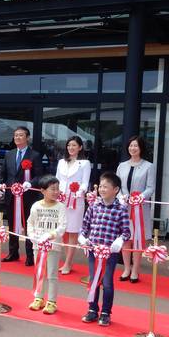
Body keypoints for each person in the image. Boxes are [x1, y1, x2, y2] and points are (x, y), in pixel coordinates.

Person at [79, 172, 130, 327]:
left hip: (109, 253)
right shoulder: (93, 207)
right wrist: (82, 238)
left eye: (105, 187)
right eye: (100, 186)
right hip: (94, 251)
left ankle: (106, 312)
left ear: (115, 189)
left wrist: (120, 240)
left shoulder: (121, 209)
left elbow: (126, 232)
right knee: (94, 280)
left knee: (107, 282)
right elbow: (84, 227)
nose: (101, 189)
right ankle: (92, 309)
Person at [0, 126, 44, 266]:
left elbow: (39, 176)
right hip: (11, 196)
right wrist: (0, 184)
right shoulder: (9, 154)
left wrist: (30, 183)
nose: (17, 137)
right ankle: (13, 252)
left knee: (28, 225)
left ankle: (30, 255)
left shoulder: (34, 155)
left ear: (27, 138)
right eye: (15, 135)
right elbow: (4, 174)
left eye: (21, 135)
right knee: (12, 225)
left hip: (28, 197)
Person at [116, 136, 155, 283]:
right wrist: (122, 196)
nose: (133, 148)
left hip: (140, 208)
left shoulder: (148, 166)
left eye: (136, 146)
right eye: (131, 145)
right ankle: (126, 268)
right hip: (124, 207)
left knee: (138, 239)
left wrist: (140, 197)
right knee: (126, 238)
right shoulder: (122, 165)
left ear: (141, 148)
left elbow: (150, 188)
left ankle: (135, 270)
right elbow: (117, 185)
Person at [27, 175, 67, 315]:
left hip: (53, 246)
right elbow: (30, 222)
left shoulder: (61, 207)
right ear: (43, 191)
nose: (56, 192)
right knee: (39, 272)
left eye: (57, 189)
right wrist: (32, 236)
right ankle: (38, 298)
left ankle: (51, 301)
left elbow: (62, 226)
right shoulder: (36, 206)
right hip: (38, 245)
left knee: (52, 274)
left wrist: (51, 235)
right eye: (52, 189)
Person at [55, 135, 91, 274]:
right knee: (63, 231)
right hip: (62, 199)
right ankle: (67, 261)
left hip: (76, 201)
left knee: (73, 231)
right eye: (69, 145)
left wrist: (78, 191)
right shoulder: (61, 162)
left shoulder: (85, 163)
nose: (71, 147)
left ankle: (68, 263)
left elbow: (85, 183)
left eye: (74, 145)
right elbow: (56, 180)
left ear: (80, 147)